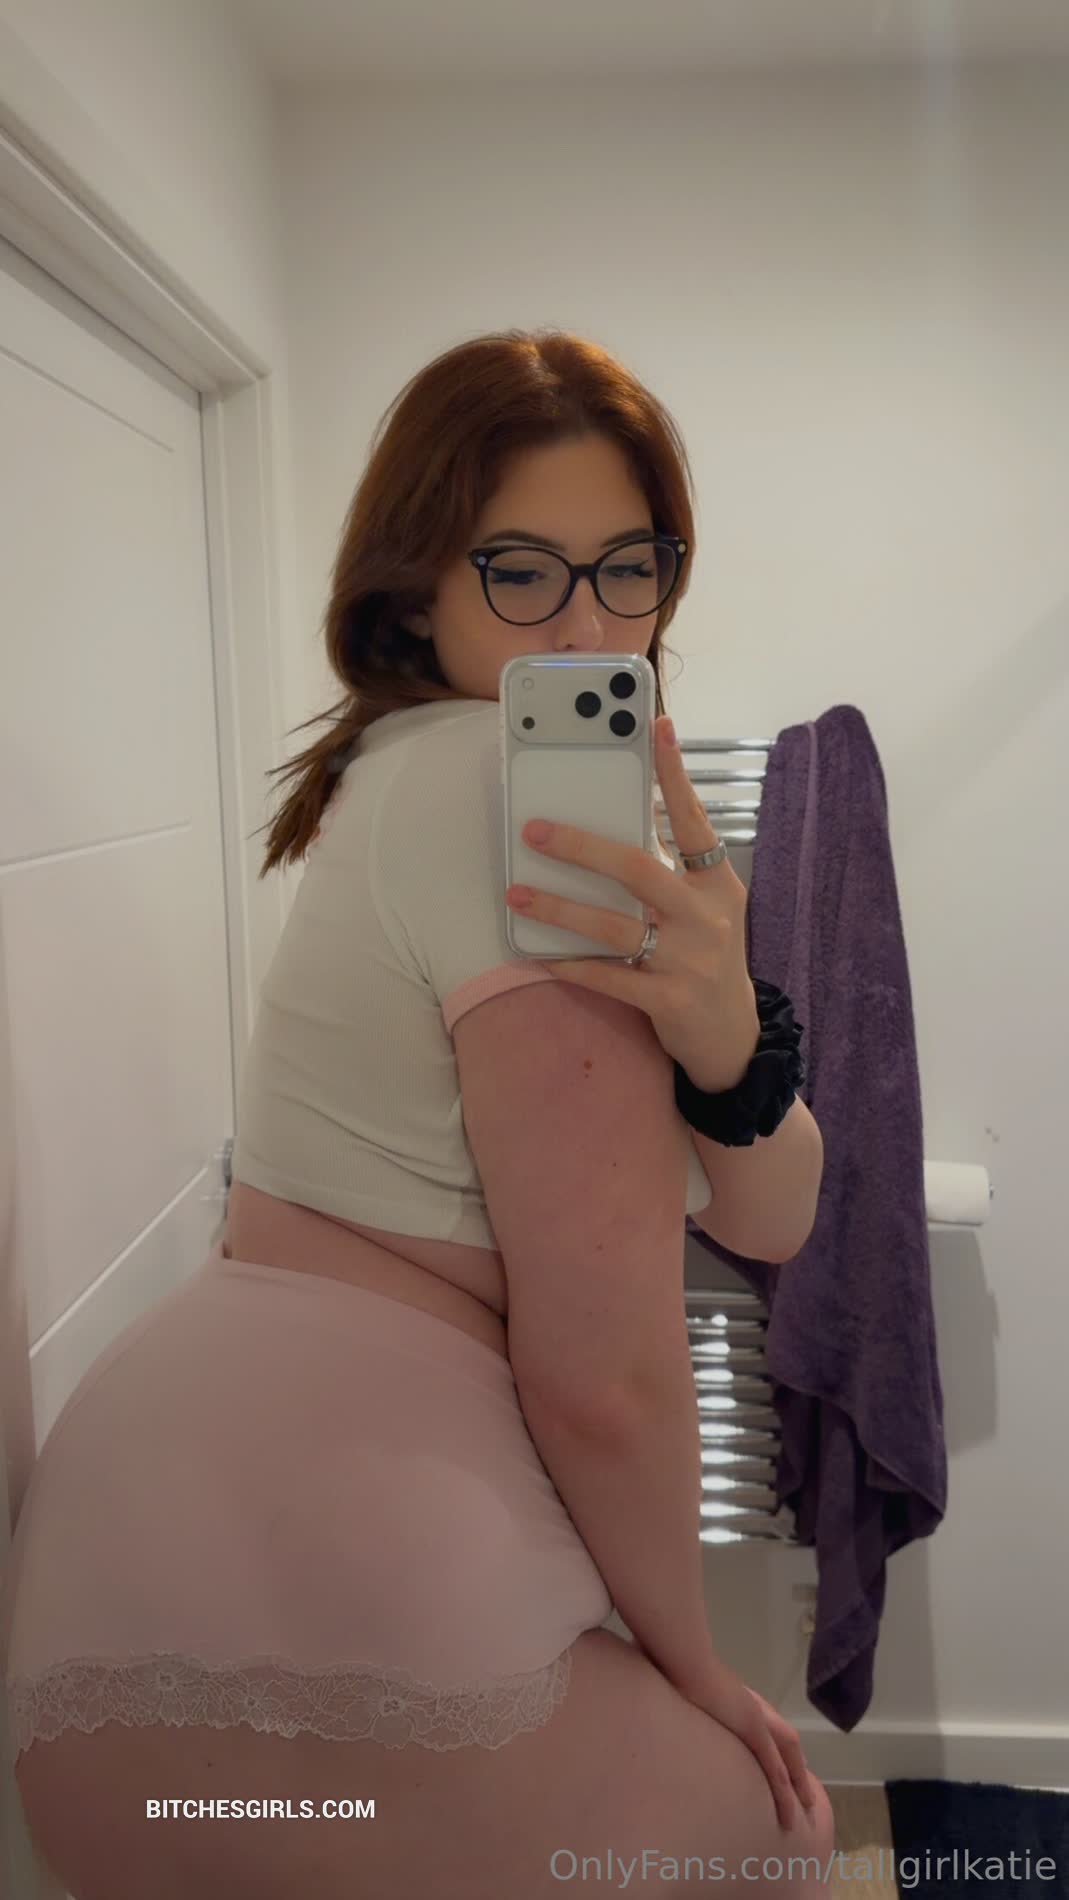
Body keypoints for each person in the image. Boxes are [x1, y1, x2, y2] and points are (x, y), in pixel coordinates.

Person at [6, 329, 835, 1898]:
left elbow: (773, 1211)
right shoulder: (506, 784)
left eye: (628, 567)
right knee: (774, 1836)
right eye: (519, 571)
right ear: (417, 589)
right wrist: (695, 1669)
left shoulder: (405, 767)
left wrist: (728, 1037)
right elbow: (604, 1373)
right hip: (338, 1568)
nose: (584, 625)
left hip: (136, 1594)